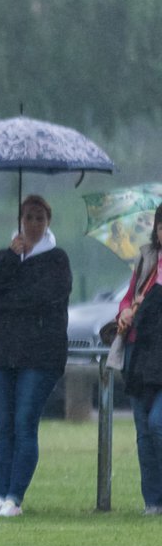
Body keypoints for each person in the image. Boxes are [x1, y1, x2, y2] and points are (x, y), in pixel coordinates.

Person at [0, 194, 71, 518]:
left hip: (39, 354)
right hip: (3, 351)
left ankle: (15, 496)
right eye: (28, 218)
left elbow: (43, 297)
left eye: (39, 218)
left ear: (47, 223)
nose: (33, 224)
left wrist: (8, 300)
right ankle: (1, 493)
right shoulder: (7, 256)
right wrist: (9, 259)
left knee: (24, 422)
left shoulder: (56, 260)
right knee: (4, 426)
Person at [116, 204, 162, 513]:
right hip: (139, 350)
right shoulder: (146, 257)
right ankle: (153, 501)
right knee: (143, 429)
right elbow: (128, 295)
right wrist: (126, 310)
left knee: (158, 422)